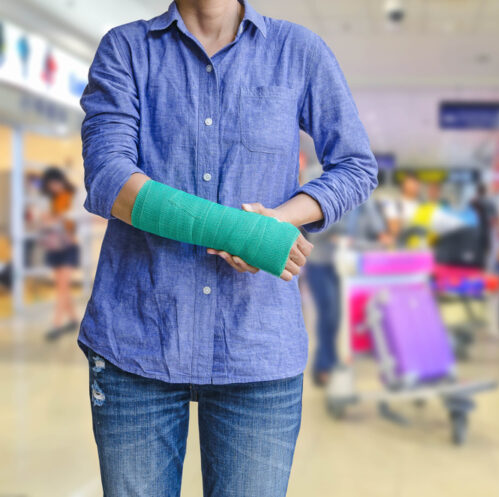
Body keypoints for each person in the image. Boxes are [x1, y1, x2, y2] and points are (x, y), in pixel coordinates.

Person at [78, 1, 377, 495]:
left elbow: (355, 166)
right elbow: (111, 179)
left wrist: (275, 223)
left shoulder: (298, 50)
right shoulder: (126, 48)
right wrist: (239, 234)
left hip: (256, 351)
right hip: (137, 341)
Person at [39, 167, 80, 341]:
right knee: (61, 286)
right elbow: (46, 221)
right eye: (50, 185)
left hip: (69, 247)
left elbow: (74, 218)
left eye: (54, 183)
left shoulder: (74, 197)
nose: (53, 187)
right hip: (55, 246)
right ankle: (72, 319)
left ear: (61, 180)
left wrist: (55, 218)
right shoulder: (54, 200)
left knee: (62, 287)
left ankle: (56, 325)